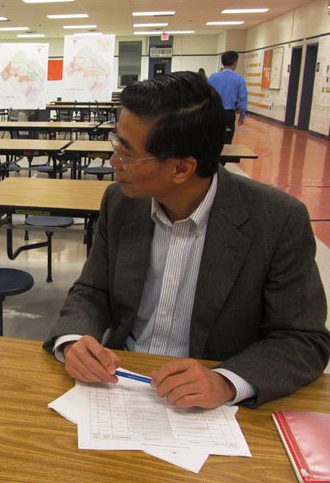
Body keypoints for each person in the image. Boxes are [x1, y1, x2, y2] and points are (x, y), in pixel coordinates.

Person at [43, 71, 329, 409]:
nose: (113, 161)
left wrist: (225, 381)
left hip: (210, 401)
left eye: (128, 153)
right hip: (121, 381)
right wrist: (74, 340)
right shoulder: (120, 203)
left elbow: (303, 339)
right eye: (115, 142)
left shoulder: (276, 220)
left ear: (181, 169)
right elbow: (92, 290)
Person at [208, 51, 247, 144]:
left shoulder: (212, 77)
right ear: (235, 63)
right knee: (227, 141)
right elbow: (242, 99)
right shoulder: (239, 79)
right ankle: (224, 158)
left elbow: (206, 95)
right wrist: (242, 115)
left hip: (214, 113)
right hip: (228, 114)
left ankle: (213, 158)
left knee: (213, 139)